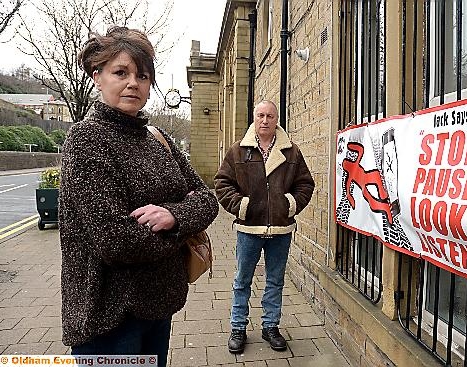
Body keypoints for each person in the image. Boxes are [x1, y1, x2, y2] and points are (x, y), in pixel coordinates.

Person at [59, 26, 218, 367]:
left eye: (143, 75)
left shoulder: (157, 137)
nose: (133, 82)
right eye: (121, 72)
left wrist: (173, 217)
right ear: (98, 76)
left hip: (158, 306)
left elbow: (207, 199)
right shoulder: (87, 139)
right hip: (111, 318)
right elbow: (116, 242)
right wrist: (181, 227)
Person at [214, 100, 315, 353]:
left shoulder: (291, 151)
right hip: (249, 229)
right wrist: (242, 207)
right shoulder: (239, 150)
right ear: (254, 118)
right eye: (261, 115)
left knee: (275, 281)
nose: (265, 120)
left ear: (276, 119)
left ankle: (271, 326)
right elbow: (222, 183)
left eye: (270, 116)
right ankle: (238, 328)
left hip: (281, 229)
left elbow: (306, 184)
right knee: (242, 280)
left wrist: (289, 205)